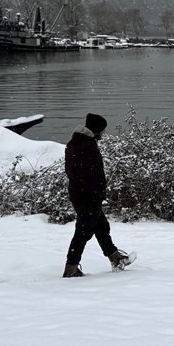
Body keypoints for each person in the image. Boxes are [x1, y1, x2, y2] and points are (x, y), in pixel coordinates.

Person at [62, 113, 133, 277]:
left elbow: (72, 172)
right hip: (87, 197)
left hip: (77, 193)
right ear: (96, 130)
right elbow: (88, 176)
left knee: (101, 227)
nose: (104, 133)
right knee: (83, 232)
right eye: (103, 130)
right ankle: (71, 268)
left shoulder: (73, 143)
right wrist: (97, 194)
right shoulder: (88, 147)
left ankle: (116, 258)